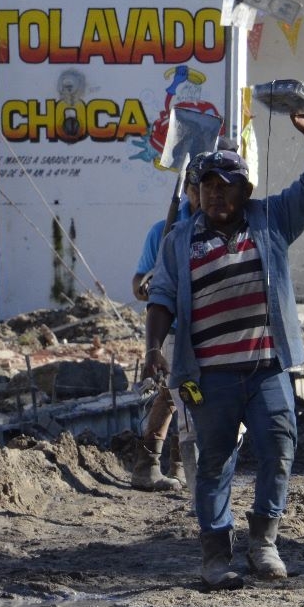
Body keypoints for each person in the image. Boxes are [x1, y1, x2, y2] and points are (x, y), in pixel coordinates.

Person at [145, 113, 304, 587]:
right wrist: (153, 345)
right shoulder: (179, 242)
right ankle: (216, 553)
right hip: (209, 375)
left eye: (225, 184)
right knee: (213, 461)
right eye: (207, 184)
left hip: (265, 367)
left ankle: (265, 541)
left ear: (245, 190)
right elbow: (163, 296)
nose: (215, 193)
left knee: (279, 446)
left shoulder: (271, 220)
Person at [129, 160, 202, 492]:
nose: (203, 196)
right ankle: (154, 465)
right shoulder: (164, 230)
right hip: (174, 331)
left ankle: (175, 466)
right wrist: (147, 284)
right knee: (178, 394)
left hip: (209, 329)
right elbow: (140, 280)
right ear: (187, 190)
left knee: (185, 397)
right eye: (197, 188)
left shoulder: (221, 227)